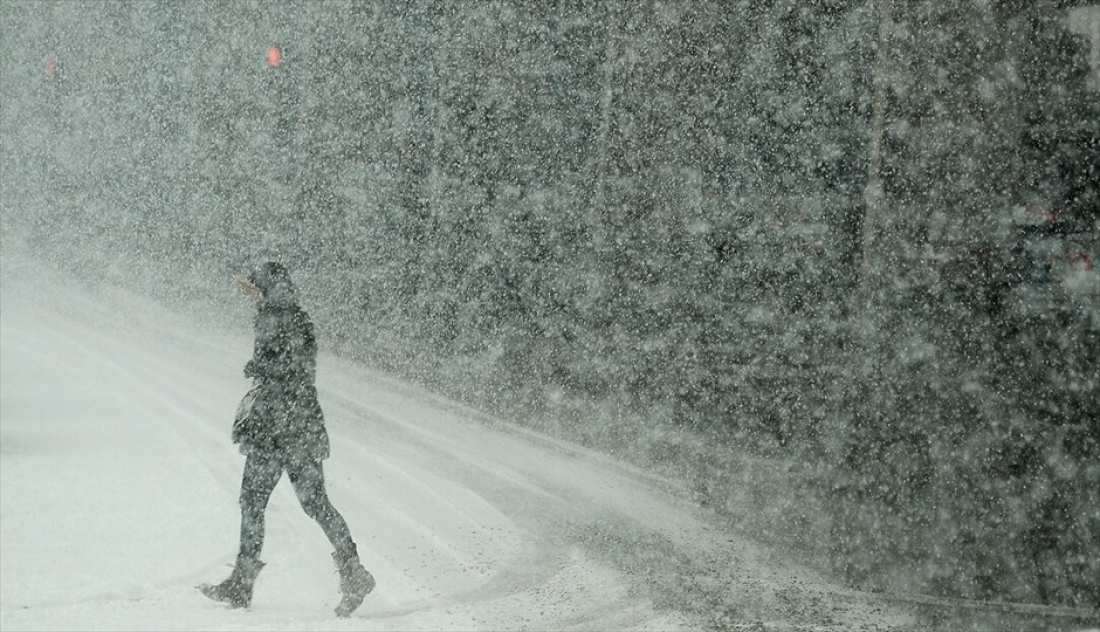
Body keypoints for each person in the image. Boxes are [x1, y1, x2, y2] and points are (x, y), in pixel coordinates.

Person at [199, 261, 374, 617]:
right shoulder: (293, 315)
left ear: (266, 288)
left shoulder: (276, 316)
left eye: (253, 288)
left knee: (253, 501)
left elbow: (292, 369)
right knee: (315, 502)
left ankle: (242, 584)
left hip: (277, 427)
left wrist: (263, 369)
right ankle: (353, 570)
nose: (248, 294)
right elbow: (302, 368)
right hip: (301, 424)